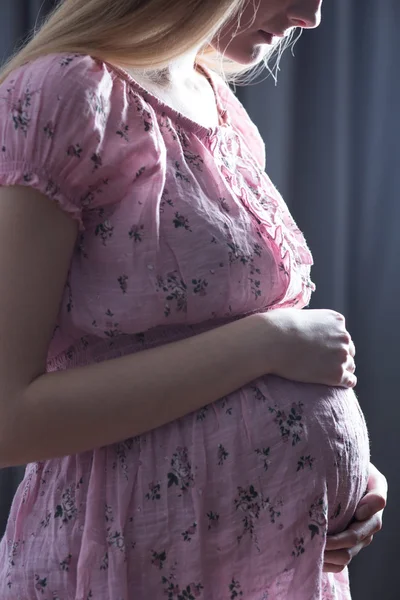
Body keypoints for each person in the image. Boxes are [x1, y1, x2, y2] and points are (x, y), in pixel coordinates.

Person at [0, 0, 387, 598]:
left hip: (266, 568)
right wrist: (266, 344)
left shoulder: (216, 99)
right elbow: (8, 420)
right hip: (126, 563)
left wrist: (348, 481)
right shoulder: (66, 93)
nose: (310, 15)